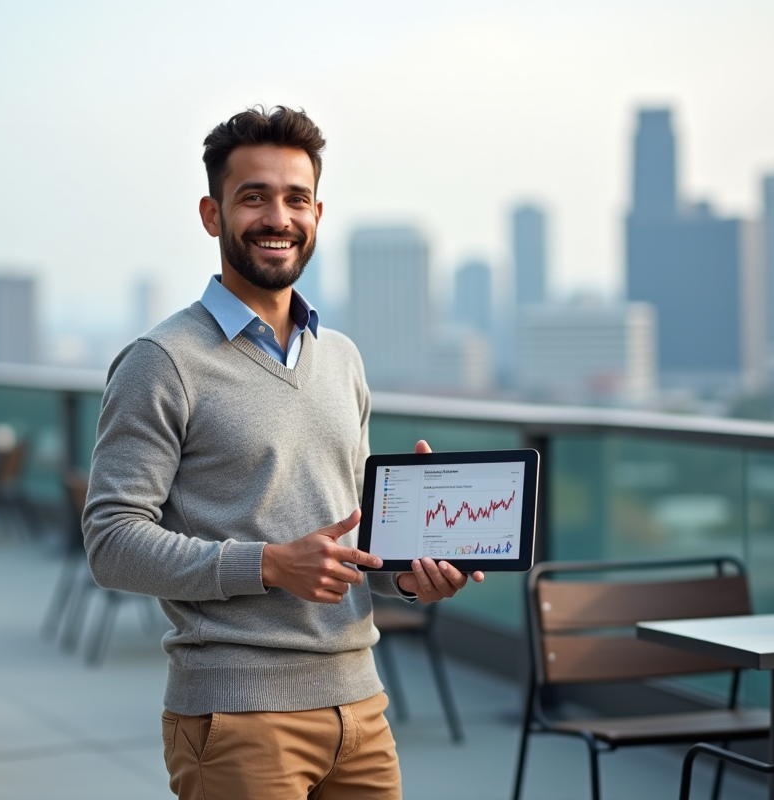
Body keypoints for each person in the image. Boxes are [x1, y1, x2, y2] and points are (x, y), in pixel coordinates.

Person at [83, 105, 484, 800]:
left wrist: (414, 572)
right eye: (254, 197)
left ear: (318, 215)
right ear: (213, 215)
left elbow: (348, 540)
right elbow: (111, 542)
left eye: (296, 199)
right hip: (237, 715)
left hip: (360, 707)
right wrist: (268, 564)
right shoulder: (162, 362)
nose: (278, 217)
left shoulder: (343, 359)